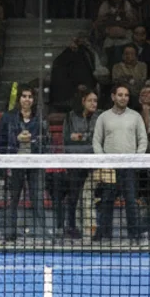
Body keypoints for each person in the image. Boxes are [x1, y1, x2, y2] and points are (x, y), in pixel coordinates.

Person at [92, 84, 147, 242]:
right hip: (109, 167)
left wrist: (137, 158)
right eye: (120, 95)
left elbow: (142, 139)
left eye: (126, 95)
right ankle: (104, 234)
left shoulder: (136, 117)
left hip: (129, 166)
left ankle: (134, 234)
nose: (123, 98)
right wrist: (103, 161)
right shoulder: (103, 117)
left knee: (131, 201)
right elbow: (97, 141)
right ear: (113, 96)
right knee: (106, 201)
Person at [0, 88, 49, 241]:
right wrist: (14, 143)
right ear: (19, 99)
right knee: (13, 199)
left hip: (35, 164)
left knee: (37, 199)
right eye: (24, 96)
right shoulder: (8, 117)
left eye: (30, 96)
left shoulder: (40, 118)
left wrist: (34, 142)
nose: (27, 99)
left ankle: (42, 234)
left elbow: (47, 142)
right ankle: (9, 233)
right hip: (14, 163)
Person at [60, 90, 100, 238]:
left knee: (90, 197)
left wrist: (81, 137)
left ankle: (92, 230)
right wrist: (85, 140)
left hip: (94, 163)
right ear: (83, 101)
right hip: (75, 163)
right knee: (74, 197)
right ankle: (71, 227)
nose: (93, 104)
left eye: (95, 101)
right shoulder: (70, 117)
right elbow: (67, 140)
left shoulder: (99, 117)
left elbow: (97, 139)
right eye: (90, 100)